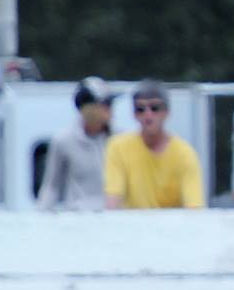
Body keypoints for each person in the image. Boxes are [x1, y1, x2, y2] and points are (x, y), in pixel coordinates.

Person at [104, 80, 203, 209]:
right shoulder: (118, 148)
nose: (148, 115)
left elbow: (194, 207)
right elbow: (113, 199)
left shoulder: (184, 153)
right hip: (132, 226)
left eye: (155, 108)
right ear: (134, 114)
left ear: (167, 112)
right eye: (140, 109)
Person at [37, 77, 113, 210]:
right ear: (87, 108)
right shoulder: (64, 141)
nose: (110, 109)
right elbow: (51, 186)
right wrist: (40, 216)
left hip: (115, 217)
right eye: (105, 103)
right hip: (79, 218)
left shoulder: (120, 139)